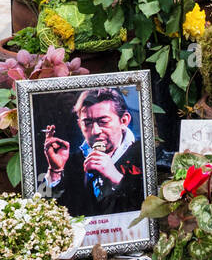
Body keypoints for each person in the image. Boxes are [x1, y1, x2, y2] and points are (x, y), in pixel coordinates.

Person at [43, 88, 144, 218]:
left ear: (124, 121)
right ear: (80, 125)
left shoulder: (142, 154)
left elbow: (150, 212)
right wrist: (55, 171)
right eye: (88, 123)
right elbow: (41, 212)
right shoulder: (72, 161)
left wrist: (116, 178)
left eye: (103, 122)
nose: (95, 131)